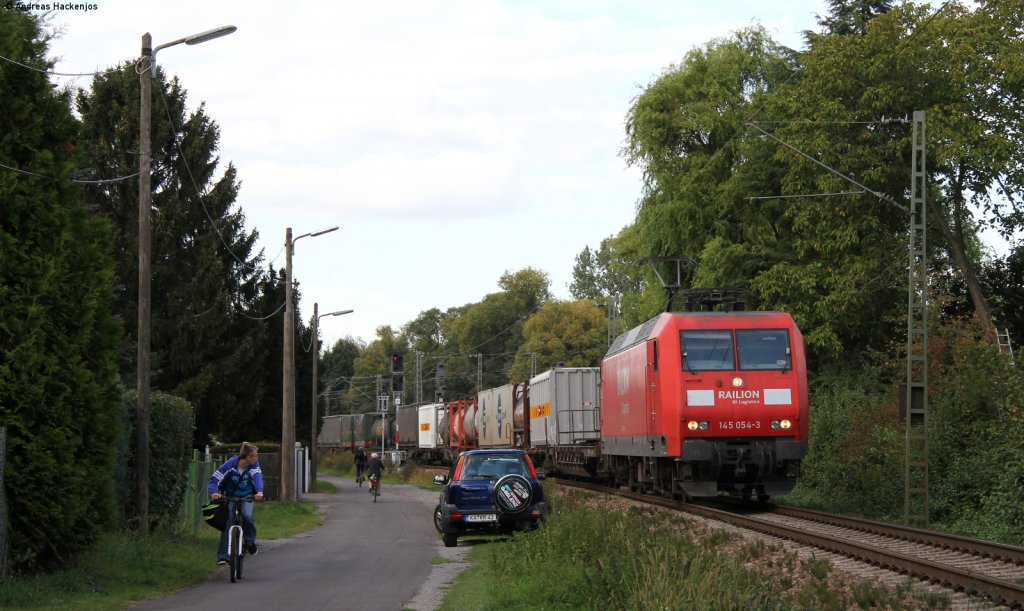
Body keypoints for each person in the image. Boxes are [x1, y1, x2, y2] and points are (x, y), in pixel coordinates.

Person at [208, 442, 264, 565]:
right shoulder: (230, 465)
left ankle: (249, 542)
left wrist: (259, 492)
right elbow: (214, 479)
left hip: (247, 496)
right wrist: (214, 492)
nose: (257, 458)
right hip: (231, 497)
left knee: (247, 516)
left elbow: (257, 477)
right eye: (255, 456)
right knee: (227, 523)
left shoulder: (254, 466)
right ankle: (223, 556)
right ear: (248, 457)